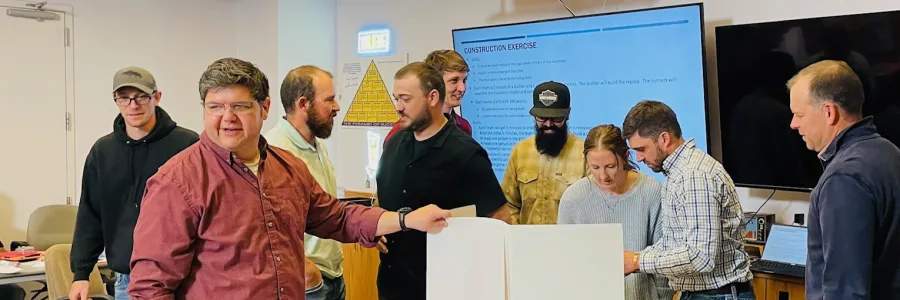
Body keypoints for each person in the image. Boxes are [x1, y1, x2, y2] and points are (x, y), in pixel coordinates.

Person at [126, 57, 451, 300]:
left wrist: (407, 220)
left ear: (264, 108)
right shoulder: (177, 182)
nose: (226, 118)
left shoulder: (288, 168)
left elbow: (336, 217)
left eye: (239, 106)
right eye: (215, 106)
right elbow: (151, 286)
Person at [376, 62, 510, 300]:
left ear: (432, 97)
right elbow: (382, 198)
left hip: (446, 287)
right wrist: (376, 227)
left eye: (405, 99)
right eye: (396, 98)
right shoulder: (393, 144)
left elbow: (499, 220)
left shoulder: (465, 153)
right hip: (393, 284)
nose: (398, 107)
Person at [69, 66, 199, 300]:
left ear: (157, 97)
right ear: (115, 100)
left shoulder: (187, 145)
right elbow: (90, 214)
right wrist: (81, 273)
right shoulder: (103, 151)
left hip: (185, 276)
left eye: (141, 97)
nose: (133, 105)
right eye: (124, 98)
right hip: (128, 280)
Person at [786, 60, 900, 299]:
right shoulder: (890, 152)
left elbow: (846, 290)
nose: (793, 124)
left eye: (799, 114)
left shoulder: (843, 178)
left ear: (829, 112)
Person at [621, 100, 754, 299]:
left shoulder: (693, 176)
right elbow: (675, 242)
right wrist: (634, 260)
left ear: (664, 139)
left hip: (716, 295)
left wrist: (639, 261)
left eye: (641, 149)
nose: (638, 158)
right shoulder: (678, 173)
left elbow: (700, 258)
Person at [557, 124, 673, 300]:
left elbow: (663, 258)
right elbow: (564, 263)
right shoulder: (573, 198)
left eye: (610, 166)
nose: (603, 176)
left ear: (625, 156)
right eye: (594, 168)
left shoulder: (651, 191)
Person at [264, 65, 346, 300]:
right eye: (329, 100)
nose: (336, 107)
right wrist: (308, 272)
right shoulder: (274, 151)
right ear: (303, 104)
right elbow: (267, 231)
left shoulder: (315, 143)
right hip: (306, 284)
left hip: (332, 276)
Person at [501, 81, 585, 224]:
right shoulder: (519, 151)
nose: (548, 124)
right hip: (527, 242)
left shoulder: (584, 153)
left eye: (556, 118)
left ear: (568, 114)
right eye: (542, 118)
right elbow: (509, 204)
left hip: (569, 242)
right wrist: (516, 234)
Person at [384, 50, 472, 145]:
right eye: (454, 80)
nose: (462, 88)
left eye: (464, 80)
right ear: (435, 83)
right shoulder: (401, 132)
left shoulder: (464, 126)